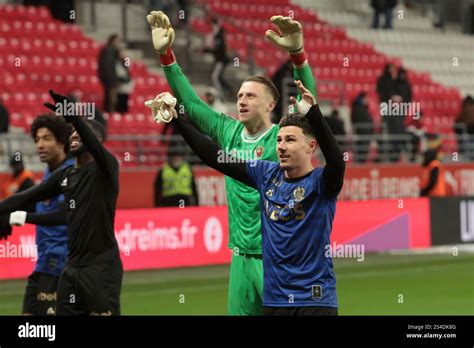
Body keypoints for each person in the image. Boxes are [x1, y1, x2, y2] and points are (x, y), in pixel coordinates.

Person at [147, 11, 317, 315]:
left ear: (270, 104)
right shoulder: (228, 131)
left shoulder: (282, 137)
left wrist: (297, 56)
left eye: (250, 96)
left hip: (274, 257)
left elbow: (309, 103)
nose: (241, 100)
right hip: (239, 257)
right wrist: (166, 56)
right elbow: (191, 103)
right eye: (239, 95)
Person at [169, 80, 344, 315]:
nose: (281, 146)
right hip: (276, 300)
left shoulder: (323, 183)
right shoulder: (266, 175)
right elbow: (215, 156)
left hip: (315, 299)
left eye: (290, 140)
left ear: (311, 147)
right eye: (279, 140)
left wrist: (314, 114)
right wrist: (175, 120)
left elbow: (336, 160)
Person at [0, 90, 123, 315]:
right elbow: (26, 197)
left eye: (80, 134)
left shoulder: (106, 168)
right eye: (72, 134)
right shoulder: (65, 174)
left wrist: (73, 116)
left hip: (101, 267)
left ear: (96, 142)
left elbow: (93, 145)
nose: (74, 136)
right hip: (71, 268)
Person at [0, 114, 74, 315]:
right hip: (44, 262)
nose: (40, 144)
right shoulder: (49, 174)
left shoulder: (71, 173)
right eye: (37, 139)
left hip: (61, 264)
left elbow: (63, 215)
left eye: (47, 138)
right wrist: (6, 216)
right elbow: (35, 205)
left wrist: (20, 218)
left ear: (61, 142)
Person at [203, 17, 232, 99]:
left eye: (212, 25)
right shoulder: (217, 34)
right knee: (217, 76)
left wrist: (207, 50)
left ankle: (220, 95)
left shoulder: (219, 35)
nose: (211, 27)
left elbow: (218, 48)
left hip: (221, 59)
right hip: (219, 59)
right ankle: (228, 90)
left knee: (214, 76)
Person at [98, 34, 121, 112]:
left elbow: (126, 63)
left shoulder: (114, 51)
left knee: (110, 98)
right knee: (112, 100)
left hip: (112, 79)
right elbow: (107, 67)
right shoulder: (109, 51)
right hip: (111, 79)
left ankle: (110, 114)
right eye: (117, 41)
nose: (119, 43)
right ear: (113, 41)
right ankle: (111, 115)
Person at [351, 92, 374, 163]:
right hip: (362, 132)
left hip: (366, 133)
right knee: (361, 151)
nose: (367, 100)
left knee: (364, 152)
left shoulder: (362, 108)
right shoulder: (357, 108)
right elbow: (356, 120)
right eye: (366, 98)